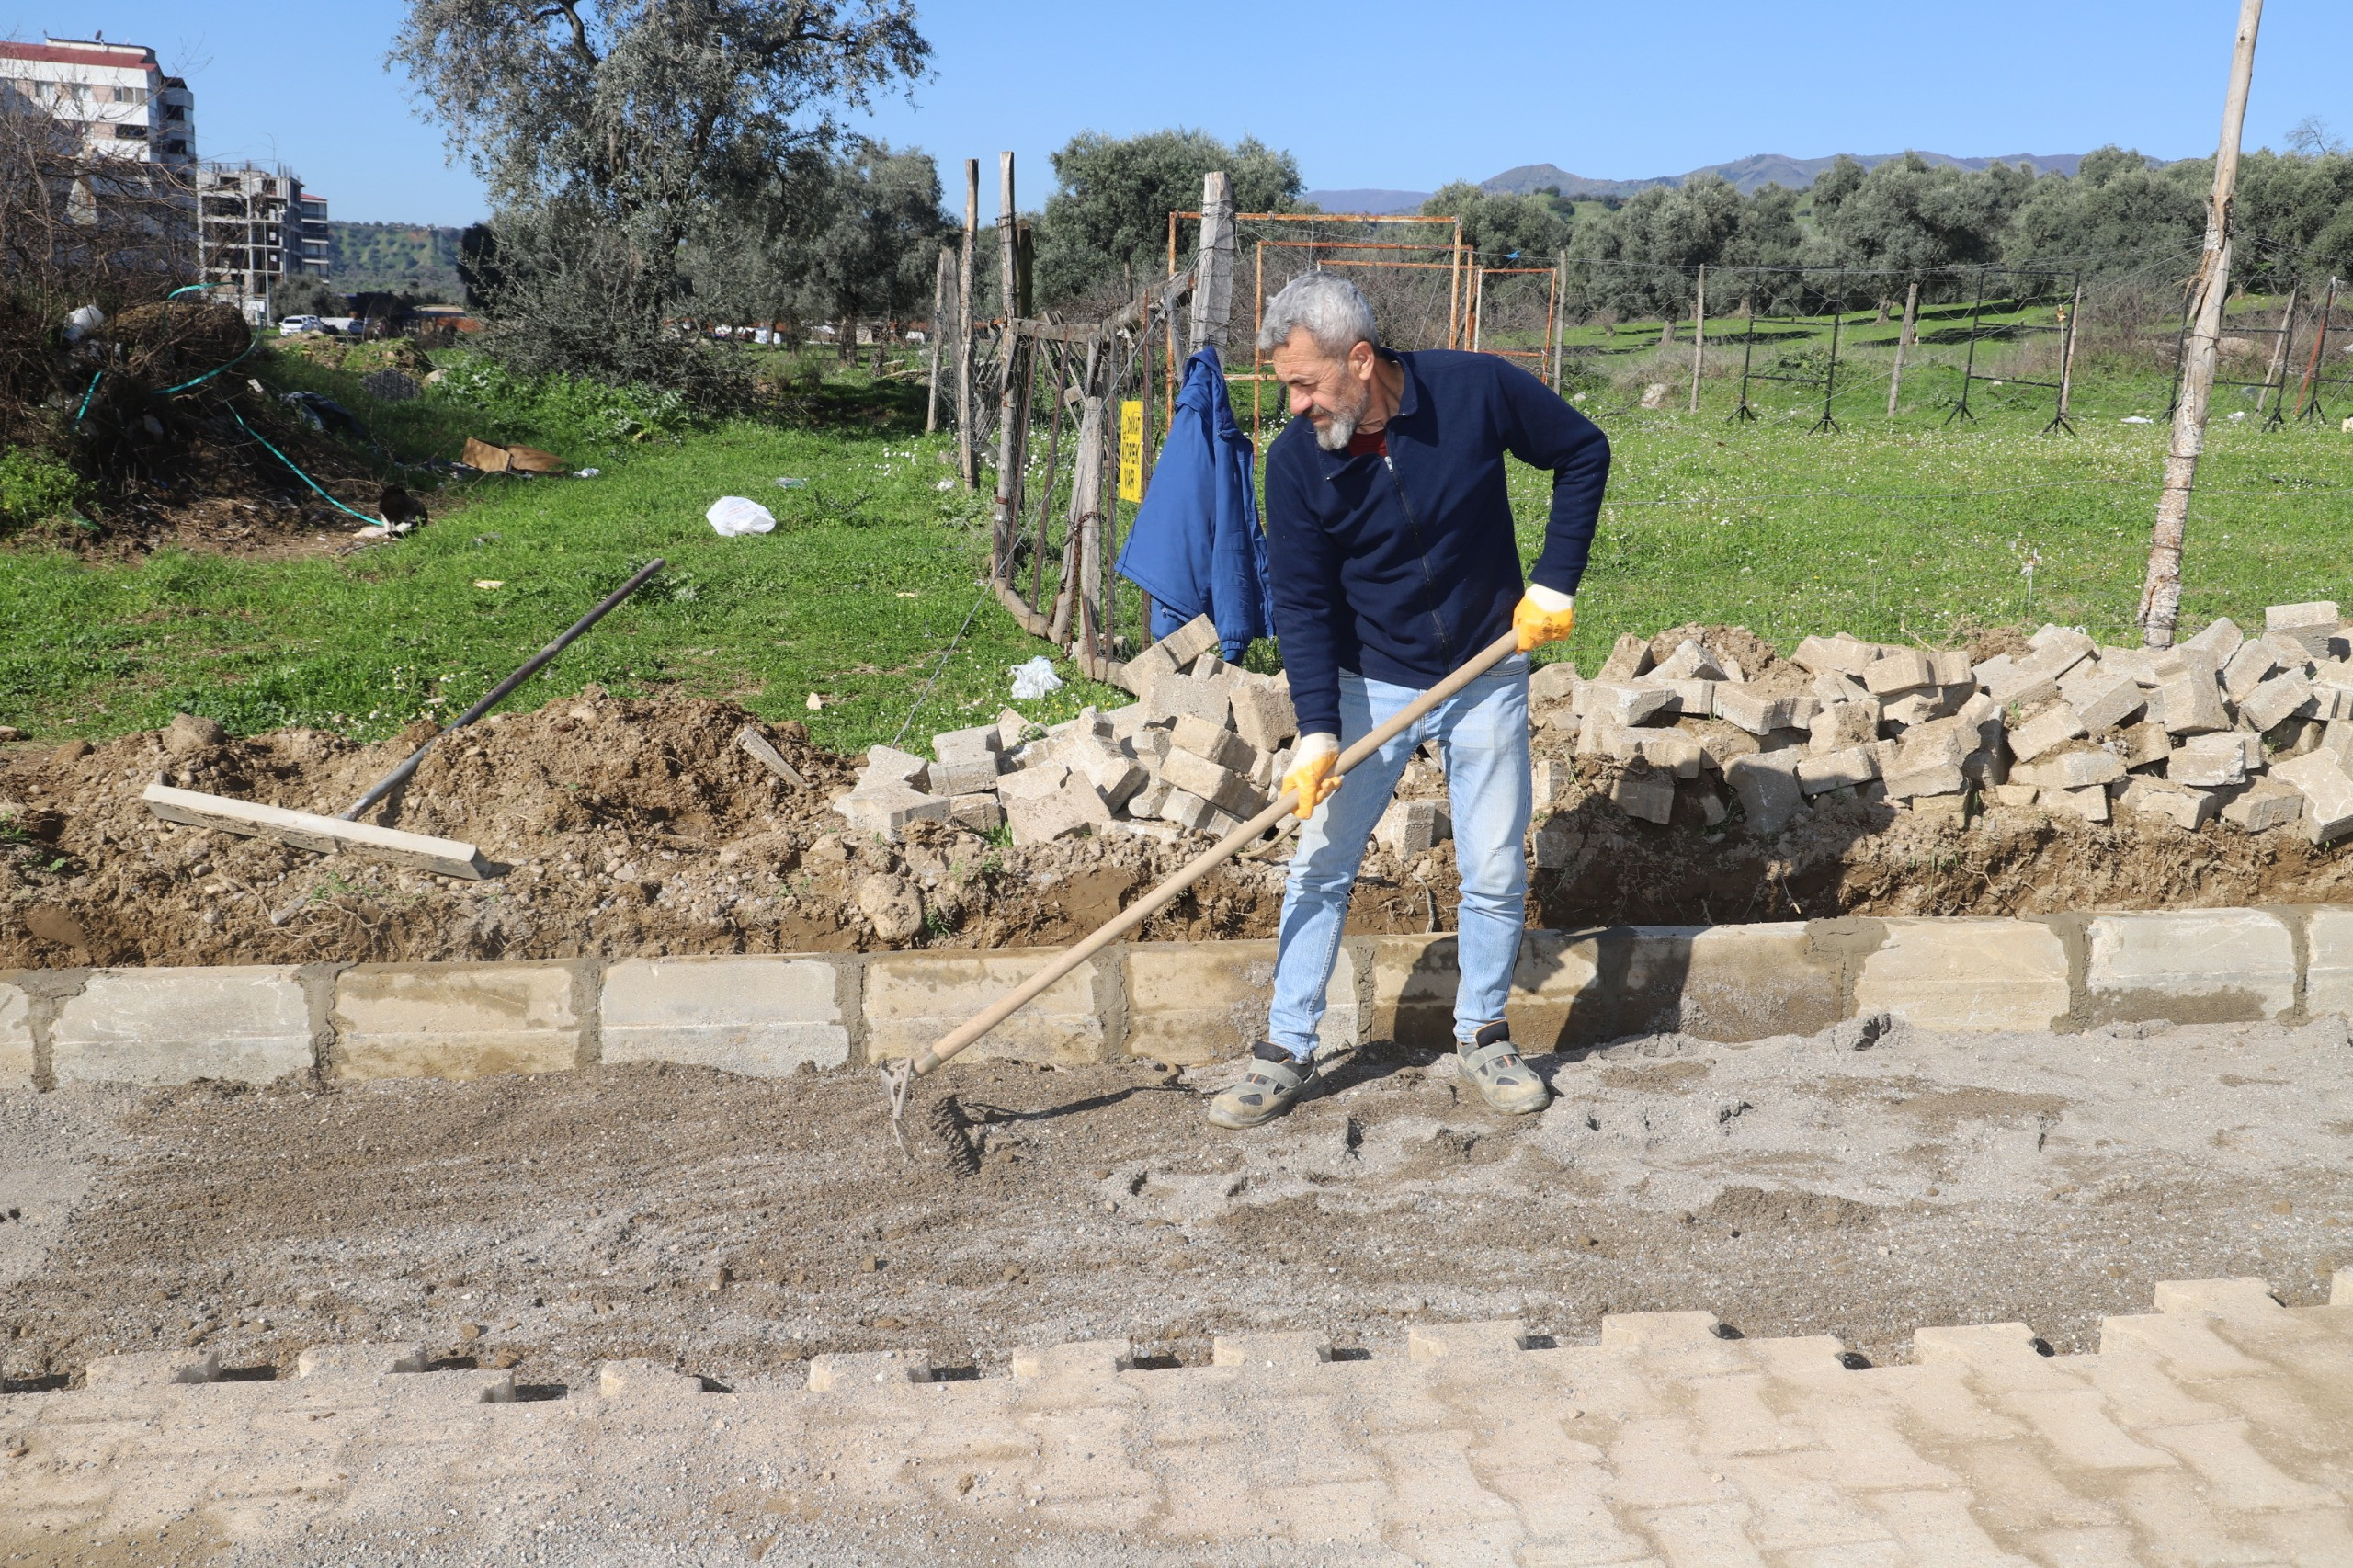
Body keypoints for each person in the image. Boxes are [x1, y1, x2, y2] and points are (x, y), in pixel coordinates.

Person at [1206, 272, 1610, 1130]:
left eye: (1306, 383)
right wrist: (1319, 731)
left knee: (1493, 867)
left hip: (1486, 667)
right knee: (1321, 864)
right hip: (1370, 679)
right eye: (1286, 386)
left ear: (1360, 360)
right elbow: (1302, 606)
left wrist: (1553, 582)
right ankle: (1285, 1047)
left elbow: (1583, 452)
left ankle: (1484, 1035)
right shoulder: (1297, 462)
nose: (1296, 405)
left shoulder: (1474, 389)